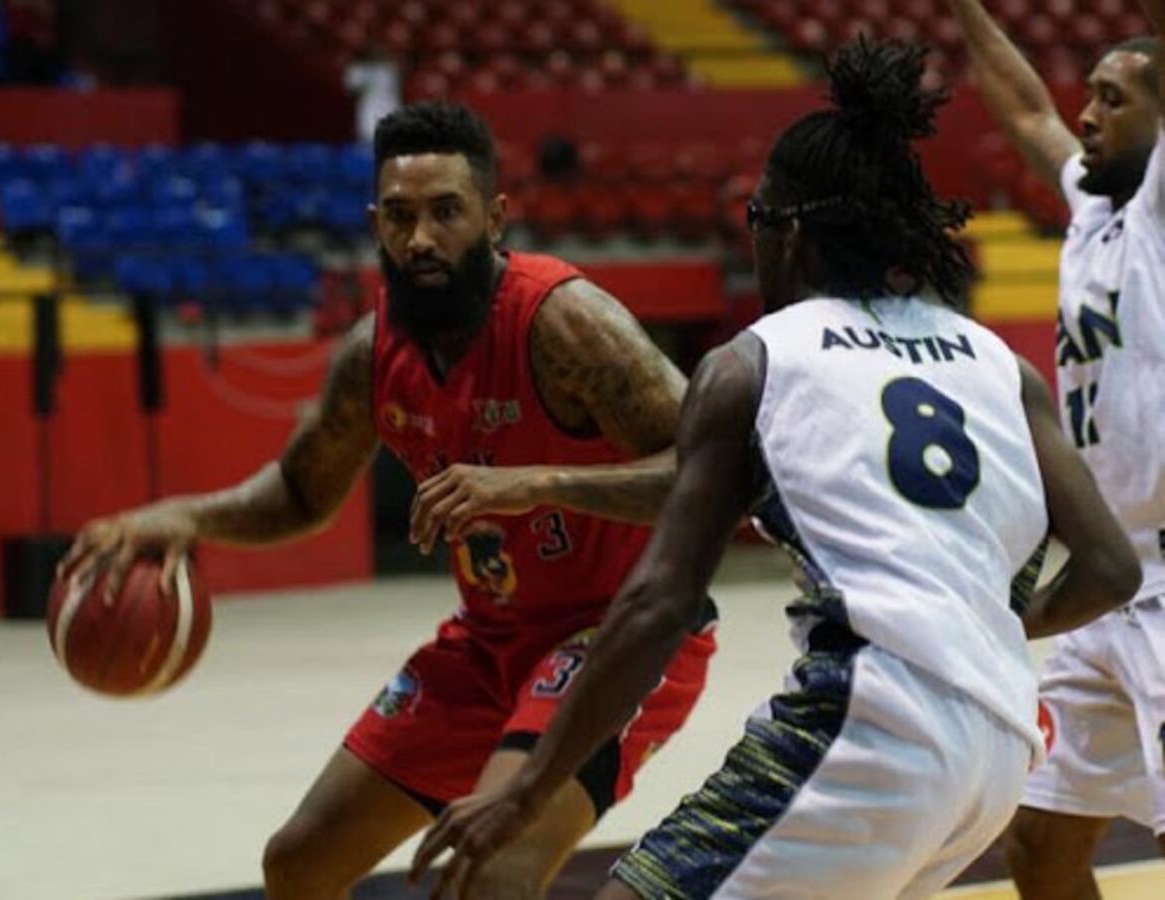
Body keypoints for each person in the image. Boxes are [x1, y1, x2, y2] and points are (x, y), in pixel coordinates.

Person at [410, 39, 1142, 900]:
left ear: (790, 231)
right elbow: (1109, 567)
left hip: (869, 729)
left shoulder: (753, 362)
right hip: (998, 754)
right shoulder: (998, 365)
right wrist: (978, 634)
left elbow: (658, 603)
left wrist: (524, 792)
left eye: (758, 221)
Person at [58, 102, 718, 900]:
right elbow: (301, 492)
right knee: (298, 865)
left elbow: (711, 470)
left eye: (446, 212)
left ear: (494, 218)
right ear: (375, 224)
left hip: (619, 628)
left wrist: (540, 483)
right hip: (488, 643)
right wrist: (183, 517)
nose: (421, 240)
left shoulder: (564, 323)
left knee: (488, 873)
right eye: (400, 217)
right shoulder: (373, 356)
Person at [949, 1, 1165, 892]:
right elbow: (1028, 108)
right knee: (1039, 844)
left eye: (1114, 100)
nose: (1087, 114)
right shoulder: (1091, 201)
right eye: (1093, 95)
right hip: (1109, 576)